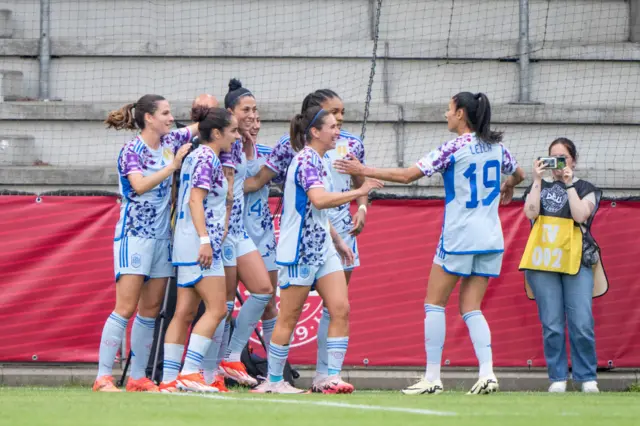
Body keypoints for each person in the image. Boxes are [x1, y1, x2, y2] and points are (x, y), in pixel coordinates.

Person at [335, 92, 525, 395]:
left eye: (449, 109)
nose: (445, 114)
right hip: (491, 238)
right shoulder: (497, 148)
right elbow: (520, 173)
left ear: (461, 114)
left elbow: (409, 175)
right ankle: (487, 372)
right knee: (471, 307)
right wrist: (508, 186)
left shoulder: (453, 148)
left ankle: (433, 377)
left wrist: (363, 171)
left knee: (434, 304)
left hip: (459, 236)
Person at [251, 107, 383, 394]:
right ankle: (273, 382)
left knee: (341, 309)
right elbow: (320, 200)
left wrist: (337, 241)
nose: (338, 131)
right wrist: (360, 192)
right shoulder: (307, 160)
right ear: (315, 131)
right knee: (289, 316)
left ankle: (329, 378)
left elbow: (316, 210)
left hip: (322, 248)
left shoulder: (320, 159)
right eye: (332, 126)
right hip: (299, 249)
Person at [93, 94, 198, 392]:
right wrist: (173, 167)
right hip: (134, 236)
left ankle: (138, 377)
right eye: (165, 113)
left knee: (150, 309)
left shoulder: (170, 141)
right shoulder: (131, 151)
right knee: (124, 307)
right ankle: (103, 377)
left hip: (162, 237)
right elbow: (138, 186)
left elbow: (198, 127)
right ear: (149, 118)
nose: (170, 117)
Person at [156, 108, 239, 393]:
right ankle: (190, 372)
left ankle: (169, 379)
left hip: (187, 242)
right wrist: (205, 240)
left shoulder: (196, 156)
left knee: (184, 312)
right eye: (234, 131)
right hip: (198, 244)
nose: (237, 136)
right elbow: (195, 201)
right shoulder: (206, 157)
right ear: (216, 133)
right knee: (217, 309)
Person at [520, 138, 606, 393]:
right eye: (552, 158)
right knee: (552, 324)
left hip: (577, 261)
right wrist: (537, 180)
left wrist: (568, 184)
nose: (557, 164)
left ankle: (586, 377)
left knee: (581, 321)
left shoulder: (585, 187)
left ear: (573, 161)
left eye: (563, 158)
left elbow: (580, 215)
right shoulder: (538, 185)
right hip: (543, 261)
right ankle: (557, 377)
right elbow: (530, 213)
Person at [201, 79, 273, 388]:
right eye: (246, 110)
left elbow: (252, 184)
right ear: (231, 113)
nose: (252, 117)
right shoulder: (220, 147)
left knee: (263, 290)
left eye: (256, 111)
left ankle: (231, 357)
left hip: (240, 231)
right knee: (222, 305)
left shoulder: (249, 146)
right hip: (221, 232)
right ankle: (209, 371)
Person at [243, 112, 279, 351]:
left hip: (263, 236)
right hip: (232, 235)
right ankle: (227, 359)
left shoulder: (269, 154)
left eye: (258, 119)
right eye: (249, 120)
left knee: (268, 303)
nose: (256, 125)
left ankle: (275, 370)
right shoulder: (222, 152)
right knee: (221, 306)